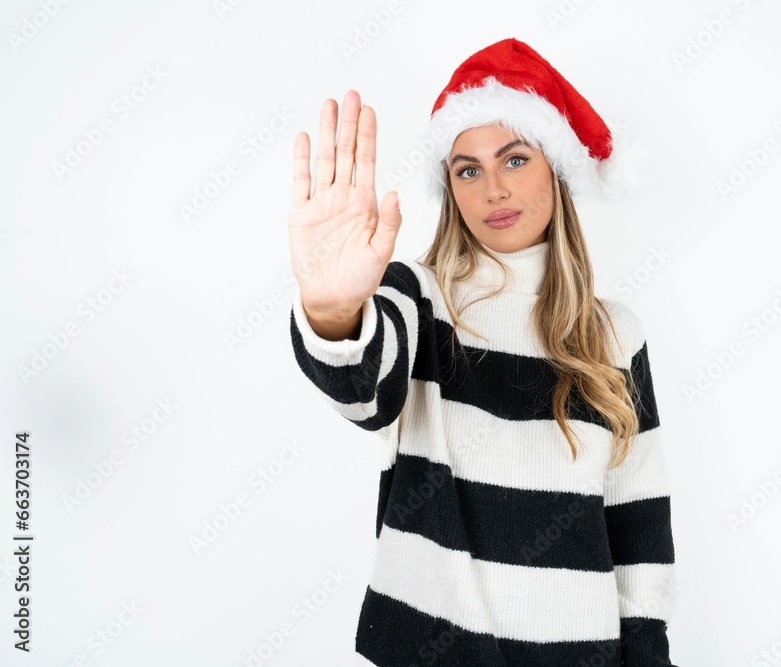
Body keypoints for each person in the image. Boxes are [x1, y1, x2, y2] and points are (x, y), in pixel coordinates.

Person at [286, 37, 678, 667]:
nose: (493, 187)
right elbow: (363, 393)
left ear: (556, 167)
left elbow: (638, 525)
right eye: (468, 169)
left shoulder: (616, 335)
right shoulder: (418, 297)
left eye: (515, 159)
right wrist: (333, 310)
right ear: (451, 187)